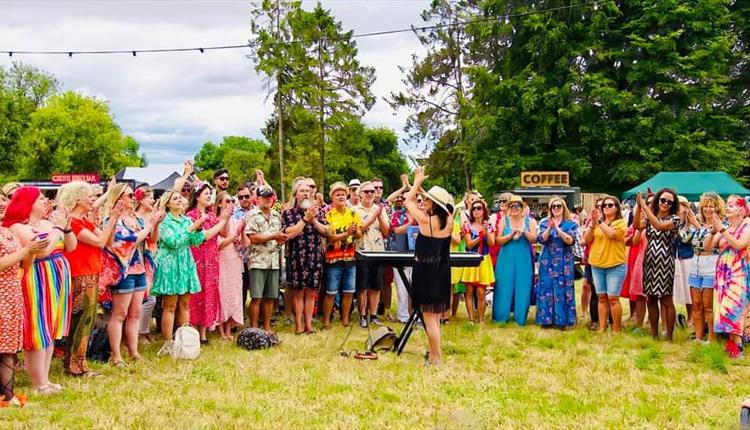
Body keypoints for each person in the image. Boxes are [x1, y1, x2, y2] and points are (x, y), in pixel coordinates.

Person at [4, 187, 75, 394]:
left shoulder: (46, 224)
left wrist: (67, 228)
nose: (46, 201)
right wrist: (58, 229)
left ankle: (45, 379)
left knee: (50, 329)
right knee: (38, 329)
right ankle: (39, 383)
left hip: (56, 276)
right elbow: (42, 250)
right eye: (41, 198)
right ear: (28, 202)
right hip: (35, 277)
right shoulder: (18, 227)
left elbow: (70, 247)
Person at [152, 189, 228, 355]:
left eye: (180, 198)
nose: (179, 200)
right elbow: (174, 242)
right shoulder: (165, 222)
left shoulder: (186, 220)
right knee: (170, 306)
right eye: (175, 198)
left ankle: (185, 341)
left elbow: (197, 240)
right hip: (170, 266)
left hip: (186, 264)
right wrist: (192, 227)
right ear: (168, 204)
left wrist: (200, 228)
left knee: (185, 305)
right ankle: (167, 343)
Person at [58, 181, 122, 376]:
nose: (92, 200)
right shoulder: (74, 223)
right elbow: (100, 242)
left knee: (86, 319)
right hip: (79, 274)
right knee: (82, 321)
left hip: (91, 272)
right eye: (89, 196)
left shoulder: (84, 220)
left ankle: (74, 362)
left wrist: (113, 220)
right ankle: (77, 365)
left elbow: (107, 240)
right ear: (77, 199)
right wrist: (111, 219)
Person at [0, 188, 47, 406]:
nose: (2, 204)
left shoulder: (7, 231)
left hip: (11, 291)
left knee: (7, 346)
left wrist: (30, 252)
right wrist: (25, 250)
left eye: (3, 200)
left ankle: (7, 396)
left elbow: (24, 266)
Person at [103, 184, 160, 366]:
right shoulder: (112, 220)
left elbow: (152, 239)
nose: (133, 198)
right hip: (124, 270)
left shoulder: (135, 218)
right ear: (118, 198)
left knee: (135, 313)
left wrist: (155, 224)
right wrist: (149, 225)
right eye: (128, 195)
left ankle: (134, 351)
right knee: (120, 313)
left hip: (139, 268)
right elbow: (130, 239)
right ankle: (116, 354)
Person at [403, 167, 453, 365]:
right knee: (435, 317)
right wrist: (422, 187)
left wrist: (415, 183)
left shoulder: (426, 221)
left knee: (429, 318)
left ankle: (437, 359)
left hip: (426, 272)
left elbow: (408, 201)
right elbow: (433, 203)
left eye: (428, 200)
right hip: (442, 271)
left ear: (435, 204)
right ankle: (433, 354)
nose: (424, 202)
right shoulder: (449, 219)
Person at [282, 179, 327, 334]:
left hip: (315, 255)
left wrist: (313, 220)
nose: (306, 193)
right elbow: (290, 233)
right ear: (295, 194)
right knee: (299, 292)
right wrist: (304, 220)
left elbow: (326, 231)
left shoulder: (318, 211)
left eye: (308, 191)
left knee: (311, 292)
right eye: (302, 191)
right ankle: (298, 325)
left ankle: (308, 325)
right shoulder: (289, 212)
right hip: (297, 256)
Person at [707, 195, 750, 358]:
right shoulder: (728, 227)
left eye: (731, 205)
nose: (727, 208)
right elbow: (708, 245)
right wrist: (715, 229)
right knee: (724, 308)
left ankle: (738, 348)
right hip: (723, 274)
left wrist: (722, 229)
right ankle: (731, 345)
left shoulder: (747, 225)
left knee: (734, 307)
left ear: (741, 209)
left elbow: (740, 245)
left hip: (738, 273)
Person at [634, 188, 680, 341]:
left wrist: (646, 207)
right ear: (658, 200)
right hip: (650, 260)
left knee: (666, 299)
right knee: (651, 298)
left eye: (669, 202)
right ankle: (654, 334)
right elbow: (636, 226)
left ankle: (669, 336)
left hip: (665, 260)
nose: (665, 204)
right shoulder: (649, 218)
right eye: (663, 200)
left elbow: (660, 227)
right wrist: (639, 206)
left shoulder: (674, 219)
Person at [187, 181, 230, 343]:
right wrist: (222, 221)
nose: (208, 197)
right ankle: (192, 329)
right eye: (205, 194)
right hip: (196, 258)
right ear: (197, 196)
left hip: (211, 259)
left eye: (209, 194)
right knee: (195, 294)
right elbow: (204, 235)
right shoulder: (190, 216)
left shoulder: (212, 216)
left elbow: (222, 234)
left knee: (209, 292)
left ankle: (204, 332)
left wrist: (224, 218)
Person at [245, 185, 286, 332]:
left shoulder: (276, 215)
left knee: (270, 297)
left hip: (273, 261)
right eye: (264, 197)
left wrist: (282, 239)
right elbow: (253, 237)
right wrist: (274, 236)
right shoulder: (252, 215)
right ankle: (254, 328)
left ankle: (267, 326)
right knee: (256, 297)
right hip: (257, 261)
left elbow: (279, 236)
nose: (268, 199)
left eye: (270, 196)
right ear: (258, 199)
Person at [584, 195, 627, 333]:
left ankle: (616, 329)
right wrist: (592, 225)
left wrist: (599, 222)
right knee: (601, 298)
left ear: (617, 208)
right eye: (604, 206)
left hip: (615, 265)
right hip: (597, 264)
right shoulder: (596, 223)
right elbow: (586, 239)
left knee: (613, 298)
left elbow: (613, 235)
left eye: (610, 205)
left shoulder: (620, 222)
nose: (606, 207)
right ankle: (602, 328)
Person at [322, 182, 362, 328]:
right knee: (331, 292)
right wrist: (346, 233)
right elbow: (330, 238)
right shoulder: (328, 215)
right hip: (333, 259)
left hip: (350, 258)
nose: (341, 196)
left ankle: (345, 320)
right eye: (337, 194)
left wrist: (355, 230)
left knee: (349, 292)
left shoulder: (353, 214)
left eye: (343, 194)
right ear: (332, 197)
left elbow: (359, 235)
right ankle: (326, 321)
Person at [493, 195, 537, 325]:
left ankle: (520, 318)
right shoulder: (503, 221)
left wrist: (524, 232)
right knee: (503, 286)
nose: (514, 208)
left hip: (523, 258)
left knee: (523, 286)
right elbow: (498, 240)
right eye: (511, 206)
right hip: (506, 258)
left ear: (522, 207)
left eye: (517, 205)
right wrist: (511, 235)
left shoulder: (530, 222)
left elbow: (534, 239)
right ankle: (501, 317)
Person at [536, 198, 579, 328]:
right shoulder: (544, 222)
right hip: (547, 259)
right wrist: (550, 228)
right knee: (546, 288)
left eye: (558, 206)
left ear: (563, 207)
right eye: (553, 206)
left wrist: (558, 229)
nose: (556, 208)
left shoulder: (571, 224)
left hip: (564, 260)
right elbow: (541, 239)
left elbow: (570, 240)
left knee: (564, 289)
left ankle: (563, 320)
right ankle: (546, 320)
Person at [688, 192, 725, 342]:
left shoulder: (722, 225)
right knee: (696, 305)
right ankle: (698, 337)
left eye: (712, 206)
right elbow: (687, 239)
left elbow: (709, 244)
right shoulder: (698, 224)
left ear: (717, 209)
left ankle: (711, 339)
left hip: (711, 265)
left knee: (708, 306)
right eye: (706, 206)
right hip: (695, 264)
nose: (708, 209)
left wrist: (711, 230)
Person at [353, 181, 390, 327]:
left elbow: (386, 231)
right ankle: (362, 315)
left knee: (376, 285)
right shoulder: (354, 210)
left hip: (378, 251)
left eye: (372, 191)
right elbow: (359, 230)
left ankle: (373, 315)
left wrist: (379, 216)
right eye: (366, 191)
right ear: (360, 194)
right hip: (362, 251)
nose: (370, 194)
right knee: (363, 286)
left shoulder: (380, 209)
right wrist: (374, 215)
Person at [133, 186, 163, 344]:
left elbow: (154, 239)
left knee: (150, 299)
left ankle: (143, 331)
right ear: (140, 199)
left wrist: (156, 224)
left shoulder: (152, 216)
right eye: (149, 197)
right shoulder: (134, 217)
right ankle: (137, 333)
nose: (152, 200)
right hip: (136, 260)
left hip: (150, 259)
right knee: (142, 299)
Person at [216, 192, 247, 340]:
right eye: (227, 200)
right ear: (219, 204)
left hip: (235, 260)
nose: (230, 203)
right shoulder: (216, 221)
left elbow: (245, 244)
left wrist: (242, 233)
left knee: (234, 294)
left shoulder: (237, 220)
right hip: (221, 261)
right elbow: (219, 244)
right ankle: (221, 330)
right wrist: (233, 236)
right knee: (222, 294)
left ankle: (229, 329)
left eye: (232, 200)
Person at [460, 199, 495, 323]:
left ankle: (480, 319)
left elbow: (491, 243)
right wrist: (481, 236)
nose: (476, 211)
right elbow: (469, 245)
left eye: (479, 208)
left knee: (481, 292)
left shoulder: (489, 225)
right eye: (474, 208)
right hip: (470, 259)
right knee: (469, 291)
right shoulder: (467, 225)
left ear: (484, 210)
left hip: (483, 260)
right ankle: (470, 319)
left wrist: (487, 233)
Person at [389, 179, 415, 323]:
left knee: (417, 287)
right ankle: (403, 316)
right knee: (402, 289)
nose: (406, 201)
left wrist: (413, 185)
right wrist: (411, 223)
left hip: (419, 256)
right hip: (400, 254)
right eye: (404, 199)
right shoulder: (397, 215)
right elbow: (396, 230)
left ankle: (416, 315)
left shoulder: (423, 213)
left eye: (410, 197)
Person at [621, 207, 648, 331]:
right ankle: (633, 314)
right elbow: (626, 241)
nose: (642, 212)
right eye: (639, 210)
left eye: (643, 210)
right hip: (633, 256)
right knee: (633, 286)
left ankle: (647, 317)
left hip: (645, 256)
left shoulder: (651, 223)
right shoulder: (633, 225)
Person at [673, 195, 695, 328]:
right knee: (675, 289)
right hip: (674, 258)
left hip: (687, 259)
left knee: (689, 289)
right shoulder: (672, 221)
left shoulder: (693, 224)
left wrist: (687, 223)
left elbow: (686, 239)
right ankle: (675, 317)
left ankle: (691, 318)